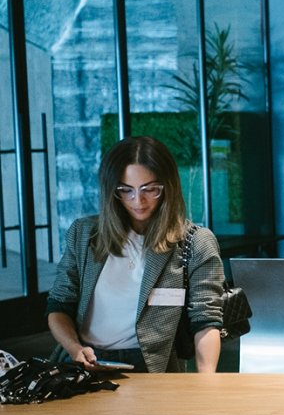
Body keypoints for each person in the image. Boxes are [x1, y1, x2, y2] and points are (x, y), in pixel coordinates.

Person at [46, 137, 225, 373]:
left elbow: (206, 320)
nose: (138, 200)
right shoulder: (84, 235)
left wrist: (206, 381)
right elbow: (58, 306)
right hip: (84, 362)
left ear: (168, 186)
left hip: (153, 367)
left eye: (150, 189)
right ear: (112, 190)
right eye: (126, 190)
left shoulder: (195, 242)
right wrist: (73, 348)